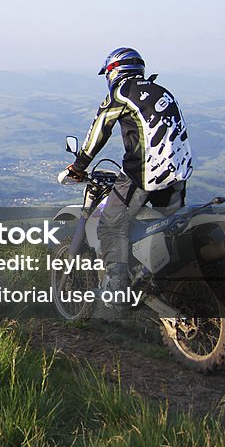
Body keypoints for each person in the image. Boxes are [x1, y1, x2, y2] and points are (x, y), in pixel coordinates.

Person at [65, 47, 193, 299]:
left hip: (144, 173)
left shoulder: (121, 94)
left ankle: (115, 289)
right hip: (178, 173)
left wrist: (78, 166)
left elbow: (98, 132)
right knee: (168, 228)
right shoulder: (162, 91)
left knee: (110, 224)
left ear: (114, 71)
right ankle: (164, 284)